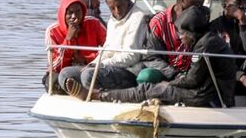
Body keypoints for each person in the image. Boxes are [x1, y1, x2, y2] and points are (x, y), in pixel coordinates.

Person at [88, 6, 237, 108]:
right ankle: (103, 95)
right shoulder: (209, 40)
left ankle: (100, 95)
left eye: (181, 33)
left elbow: (192, 80)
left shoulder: (203, 46)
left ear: (191, 32)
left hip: (208, 97)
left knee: (148, 89)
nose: (179, 38)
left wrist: (170, 84)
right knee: (155, 88)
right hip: (211, 92)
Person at [79, 0, 148, 91]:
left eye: (119, 6)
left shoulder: (138, 17)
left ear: (127, 0)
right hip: (110, 67)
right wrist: (93, 64)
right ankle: (85, 92)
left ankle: (97, 95)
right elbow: (107, 51)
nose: (117, 11)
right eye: (112, 8)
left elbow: (131, 56)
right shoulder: (112, 21)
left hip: (129, 70)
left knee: (87, 75)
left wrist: (101, 65)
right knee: (67, 74)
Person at [140, 0, 203, 82]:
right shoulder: (158, 22)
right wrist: (174, 75)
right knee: (146, 75)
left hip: (192, 72)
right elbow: (151, 57)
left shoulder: (200, 17)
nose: (199, 1)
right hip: (166, 72)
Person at [45, 0, 107, 93]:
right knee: (53, 81)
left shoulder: (93, 23)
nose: (74, 16)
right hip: (62, 72)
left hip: (90, 69)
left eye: (78, 12)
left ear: (83, 12)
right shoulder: (52, 31)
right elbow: (55, 66)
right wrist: (68, 39)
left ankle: (89, 93)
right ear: (63, 13)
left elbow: (110, 48)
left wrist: (87, 59)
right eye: (70, 13)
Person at [209, 0, 246, 100]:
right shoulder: (215, 27)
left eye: (244, 1)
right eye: (238, 2)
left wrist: (243, 25)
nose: (242, 5)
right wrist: (241, 77)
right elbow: (219, 60)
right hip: (228, 73)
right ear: (225, 6)